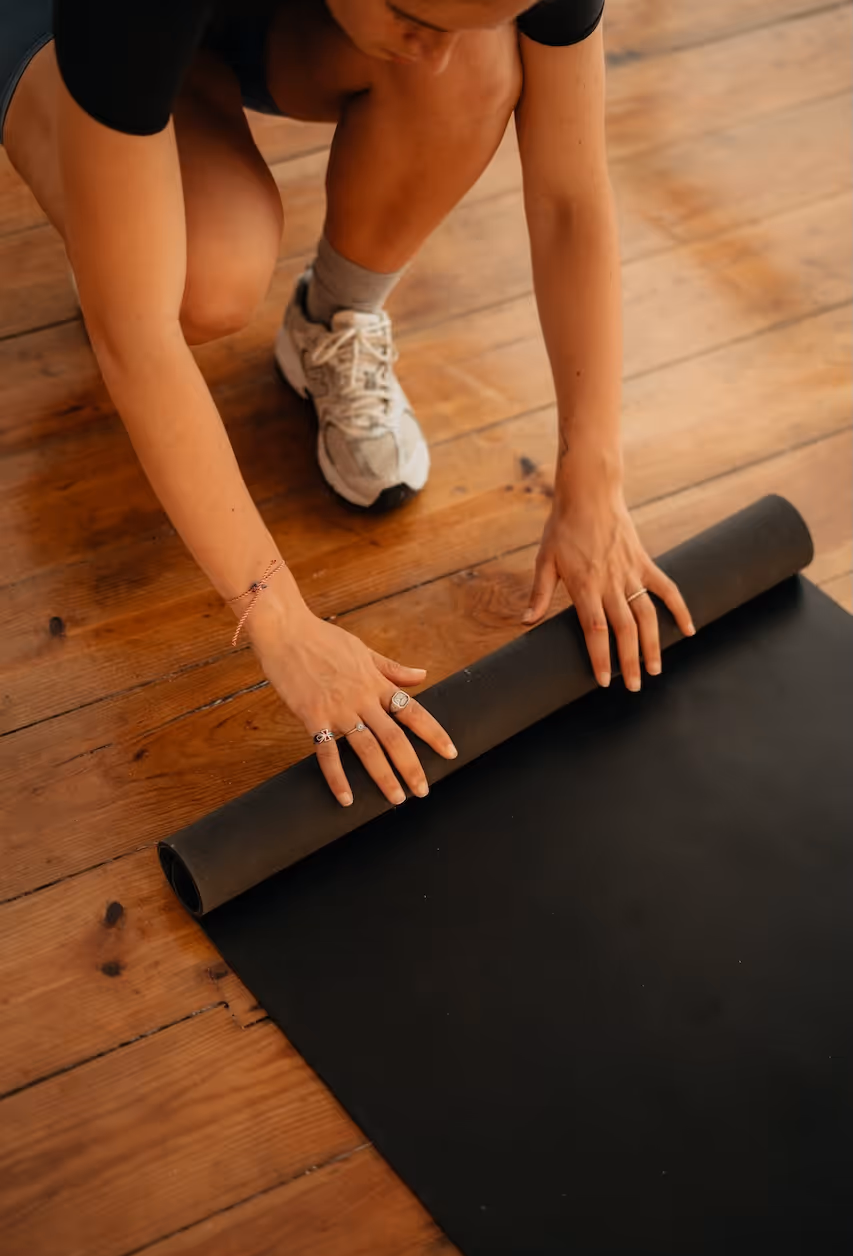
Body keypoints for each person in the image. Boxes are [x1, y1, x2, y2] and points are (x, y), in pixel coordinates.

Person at [1, 0, 694, 808]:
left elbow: (570, 196)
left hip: (235, 24)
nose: (428, 55)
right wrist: (282, 624)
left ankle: (329, 318)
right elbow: (136, 338)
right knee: (196, 284)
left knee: (479, 66)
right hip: (67, 21)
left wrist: (594, 478)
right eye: (413, 18)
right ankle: (129, 173)